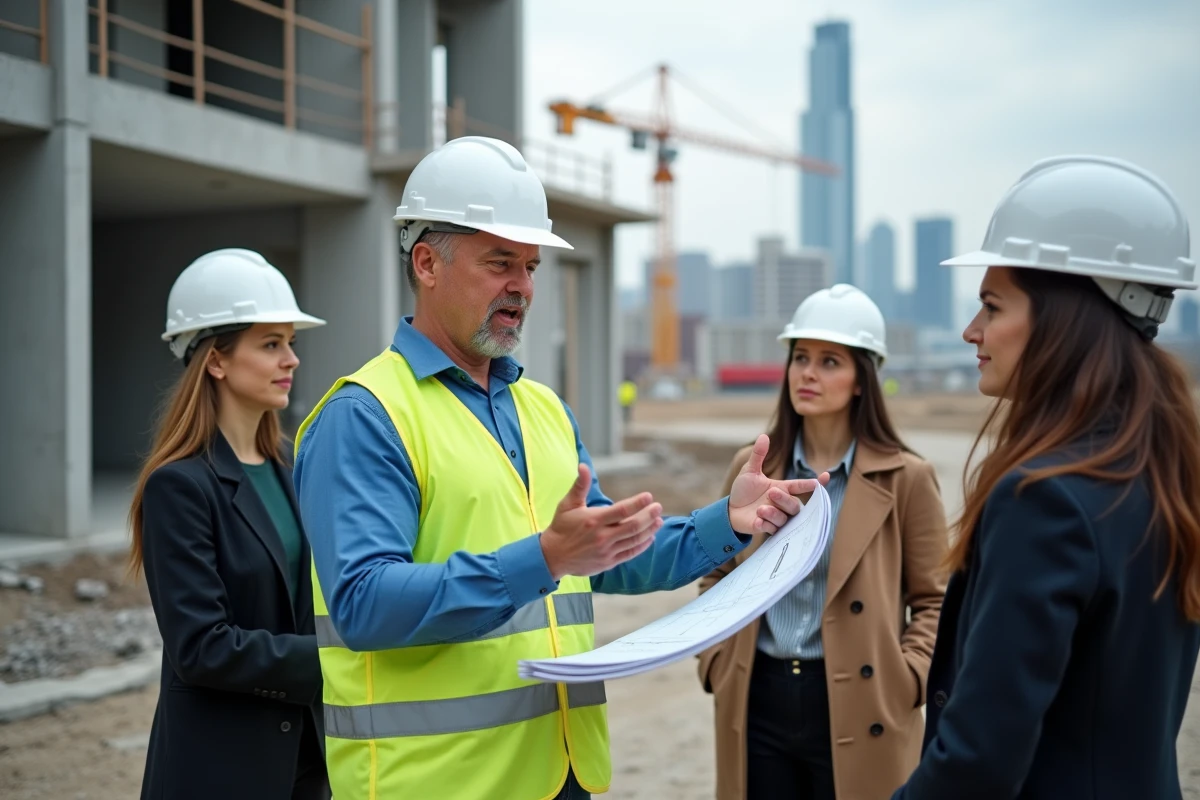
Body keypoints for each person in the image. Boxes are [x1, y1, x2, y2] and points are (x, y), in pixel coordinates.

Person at [291, 135, 828, 800]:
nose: (522, 286)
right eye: (500, 263)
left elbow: (607, 554)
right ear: (427, 263)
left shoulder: (543, 410)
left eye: (532, 266)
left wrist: (729, 522)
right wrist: (542, 559)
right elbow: (365, 606)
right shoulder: (366, 415)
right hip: (433, 784)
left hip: (558, 777)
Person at [890, 155, 1200, 799]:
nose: (972, 331)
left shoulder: (1045, 500)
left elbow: (978, 758)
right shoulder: (1165, 472)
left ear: (1066, 320)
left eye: (992, 306)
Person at [697, 284, 950, 800]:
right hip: (756, 692)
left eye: (830, 361)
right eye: (801, 357)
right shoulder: (753, 468)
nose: (808, 373)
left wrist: (907, 680)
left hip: (864, 698)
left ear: (863, 379)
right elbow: (716, 572)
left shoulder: (908, 478)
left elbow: (934, 600)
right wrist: (717, 662)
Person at [129, 248, 331, 800]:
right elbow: (201, 647)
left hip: (308, 764)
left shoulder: (292, 469)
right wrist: (337, 661)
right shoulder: (179, 486)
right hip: (223, 769)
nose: (291, 359)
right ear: (216, 360)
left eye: (291, 342)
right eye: (270, 344)